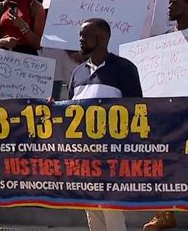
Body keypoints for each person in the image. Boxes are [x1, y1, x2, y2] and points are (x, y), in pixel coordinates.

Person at [143, 0, 188, 231]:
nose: (170, 7)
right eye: (170, 2)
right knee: (163, 161)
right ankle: (164, 215)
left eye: (175, 3)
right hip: (166, 110)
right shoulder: (162, 39)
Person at [68, 18, 142, 231]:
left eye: (85, 35)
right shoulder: (77, 72)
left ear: (101, 38)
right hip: (84, 155)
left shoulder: (125, 69)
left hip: (113, 154)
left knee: (112, 209)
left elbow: (136, 111)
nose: (80, 40)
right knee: (92, 211)